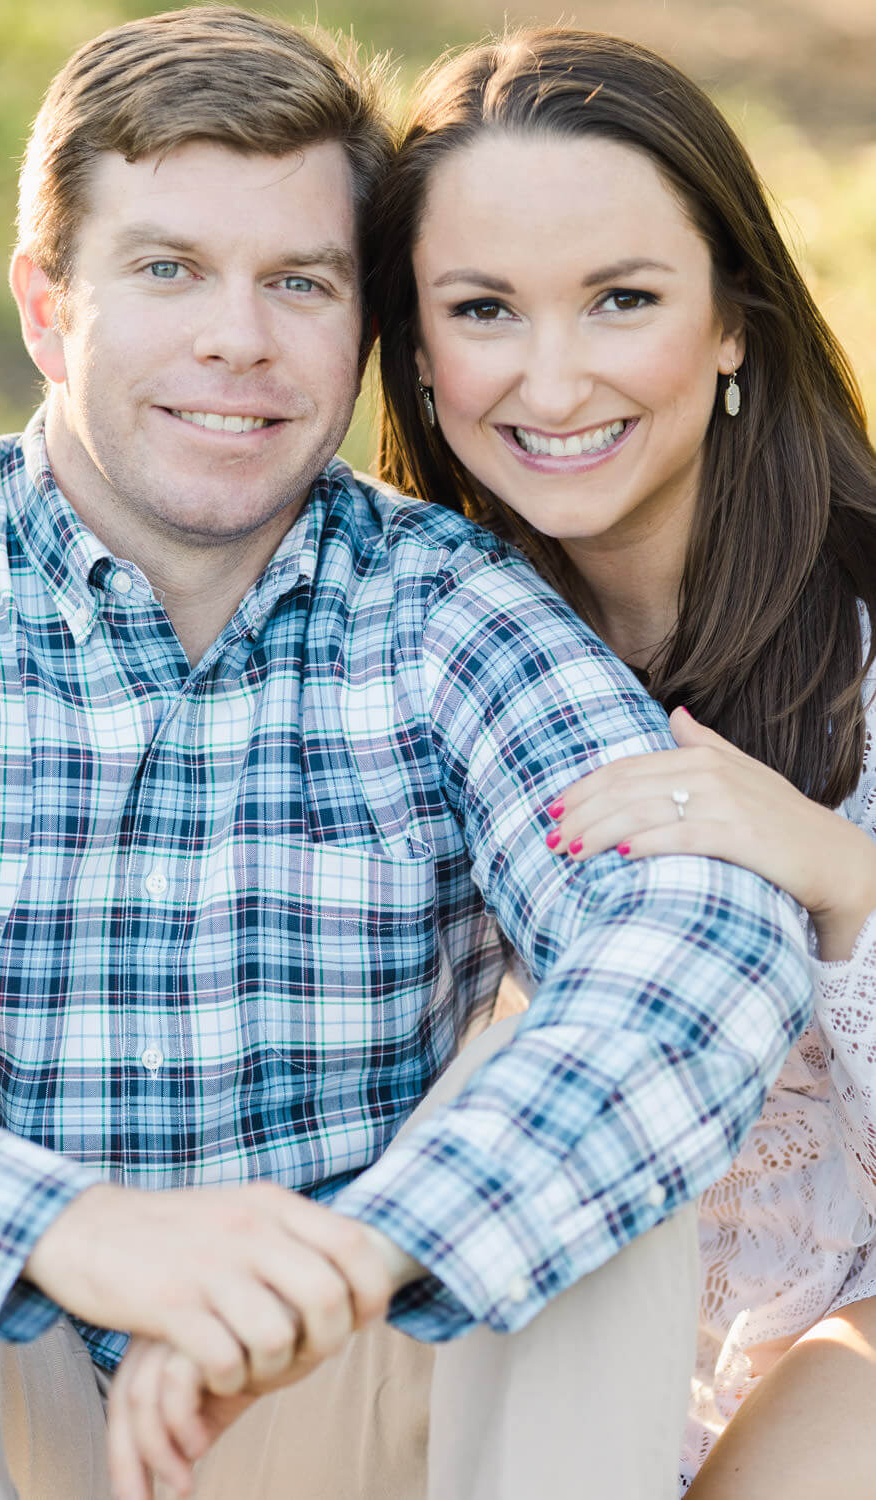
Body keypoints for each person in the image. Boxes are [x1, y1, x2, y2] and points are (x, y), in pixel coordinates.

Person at [0, 11, 812, 1500]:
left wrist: (373, 1249)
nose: (234, 340)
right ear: (48, 308)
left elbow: (697, 933)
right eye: (168, 269)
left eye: (296, 282)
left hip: (342, 1366)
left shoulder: (451, 612)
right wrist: (69, 1231)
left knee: (579, 1159)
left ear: (363, 332)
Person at [372, 26, 876, 1498]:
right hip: (520, 1334)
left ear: (732, 319)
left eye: (620, 301)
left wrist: (842, 878)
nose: (551, 377)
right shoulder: (409, 637)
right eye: (481, 308)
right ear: (411, 347)